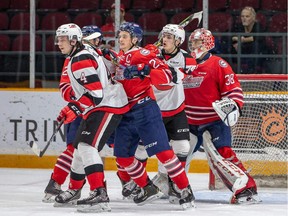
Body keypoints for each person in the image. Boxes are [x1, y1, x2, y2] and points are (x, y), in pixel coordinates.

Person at [112, 22, 195, 209]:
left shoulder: (144, 54)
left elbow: (169, 76)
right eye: (119, 36)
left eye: (125, 36)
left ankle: (184, 189)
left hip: (145, 108)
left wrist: (146, 69)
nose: (120, 40)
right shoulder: (122, 56)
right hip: (126, 112)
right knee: (122, 156)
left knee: (165, 152)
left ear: (134, 39)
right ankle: (148, 187)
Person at [52, 23, 129, 213]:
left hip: (106, 105)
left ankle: (99, 193)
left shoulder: (79, 59)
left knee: (86, 147)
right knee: (79, 150)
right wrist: (73, 106)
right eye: (58, 39)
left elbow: (95, 93)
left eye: (62, 40)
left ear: (73, 40)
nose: (58, 43)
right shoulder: (83, 50)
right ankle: (74, 190)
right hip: (102, 105)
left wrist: (75, 108)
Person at [183, 28, 261, 204]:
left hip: (213, 121)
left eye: (197, 42)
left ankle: (247, 188)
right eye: (192, 42)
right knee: (180, 152)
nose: (193, 45)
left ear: (208, 44)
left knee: (222, 155)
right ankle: (175, 186)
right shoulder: (184, 65)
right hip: (189, 122)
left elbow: (234, 90)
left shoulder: (218, 64)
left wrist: (234, 106)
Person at [42, 24, 108, 203]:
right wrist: (78, 101)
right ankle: (57, 182)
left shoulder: (91, 53)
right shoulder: (74, 59)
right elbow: (65, 88)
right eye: (94, 39)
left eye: (98, 39)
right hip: (83, 107)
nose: (98, 42)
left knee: (90, 148)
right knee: (76, 148)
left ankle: (96, 187)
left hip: (96, 106)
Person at [231, 6, 267, 74]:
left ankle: (251, 72)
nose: (244, 19)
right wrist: (239, 41)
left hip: (255, 52)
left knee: (255, 46)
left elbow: (258, 38)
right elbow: (231, 36)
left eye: (247, 16)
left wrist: (242, 40)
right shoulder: (238, 26)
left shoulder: (258, 26)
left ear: (253, 18)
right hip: (242, 50)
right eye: (242, 16)